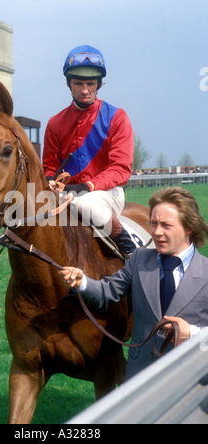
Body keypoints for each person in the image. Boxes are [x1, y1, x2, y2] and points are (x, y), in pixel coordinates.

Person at [60, 187, 208, 380]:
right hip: (140, 377)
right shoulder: (139, 259)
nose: (156, 232)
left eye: (166, 225)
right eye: (153, 223)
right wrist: (83, 282)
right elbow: (108, 291)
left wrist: (193, 333)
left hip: (191, 379)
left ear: (189, 227)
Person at [43, 45, 136, 255]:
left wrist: (86, 186)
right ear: (69, 84)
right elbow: (49, 166)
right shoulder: (55, 123)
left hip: (106, 193)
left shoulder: (116, 117)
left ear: (99, 84)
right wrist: (50, 179)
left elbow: (120, 168)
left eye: (90, 84)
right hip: (65, 193)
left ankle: (132, 255)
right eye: (78, 83)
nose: (85, 90)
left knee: (86, 204)